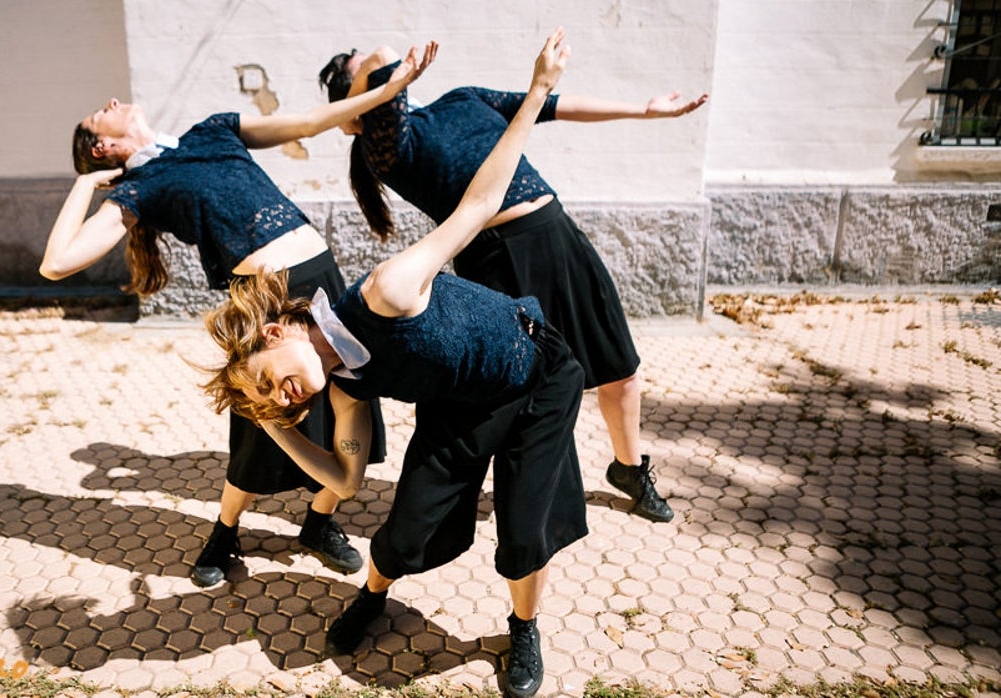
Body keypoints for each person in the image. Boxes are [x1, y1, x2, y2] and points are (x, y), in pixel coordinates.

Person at [202, 30, 574, 698]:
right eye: (268, 396)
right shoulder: (341, 380)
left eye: (265, 376)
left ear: (283, 326)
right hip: (459, 400)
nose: (278, 393)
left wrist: (540, 88)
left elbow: (480, 205)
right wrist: (275, 426)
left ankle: (524, 628)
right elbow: (342, 481)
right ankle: (374, 594)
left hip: (537, 375)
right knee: (402, 530)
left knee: (523, 529)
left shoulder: (387, 291)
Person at [39, 43, 437, 588]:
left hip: (322, 277)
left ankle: (319, 524)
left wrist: (386, 92)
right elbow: (57, 264)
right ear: (105, 146)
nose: (111, 100)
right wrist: (85, 183)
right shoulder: (139, 187)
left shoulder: (211, 130)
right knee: (258, 431)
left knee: (348, 406)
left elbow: (310, 120)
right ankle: (225, 531)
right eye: (98, 113)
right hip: (265, 302)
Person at [318, 41, 709, 524]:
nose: (378, 78)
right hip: (495, 258)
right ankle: (527, 497)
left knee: (620, 367)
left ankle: (629, 469)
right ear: (354, 115)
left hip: (556, 232)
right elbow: (383, 58)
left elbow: (547, 106)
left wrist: (643, 111)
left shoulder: (463, 98)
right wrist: (361, 95)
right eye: (360, 87)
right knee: (524, 391)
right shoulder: (389, 146)